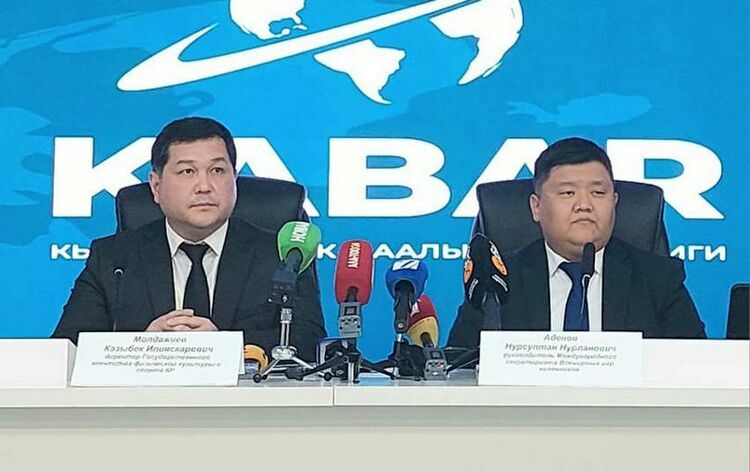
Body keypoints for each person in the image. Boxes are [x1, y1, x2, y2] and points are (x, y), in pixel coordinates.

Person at [53, 117, 326, 360]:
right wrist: (139, 348)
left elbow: (309, 341)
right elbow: (67, 347)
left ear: (234, 179)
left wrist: (224, 347)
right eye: (187, 172)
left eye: (217, 171)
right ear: (156, 186)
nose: (204, 186)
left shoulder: (281, 254)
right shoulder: (113, 259)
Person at [448, 137, 706, 348]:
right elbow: (458, 371)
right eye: (567, 192)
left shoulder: (658, 279)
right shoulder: (498, 281)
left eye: (598, 192)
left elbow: (696, 367)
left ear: (614, 203)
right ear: (536, 207)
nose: (584, 205)